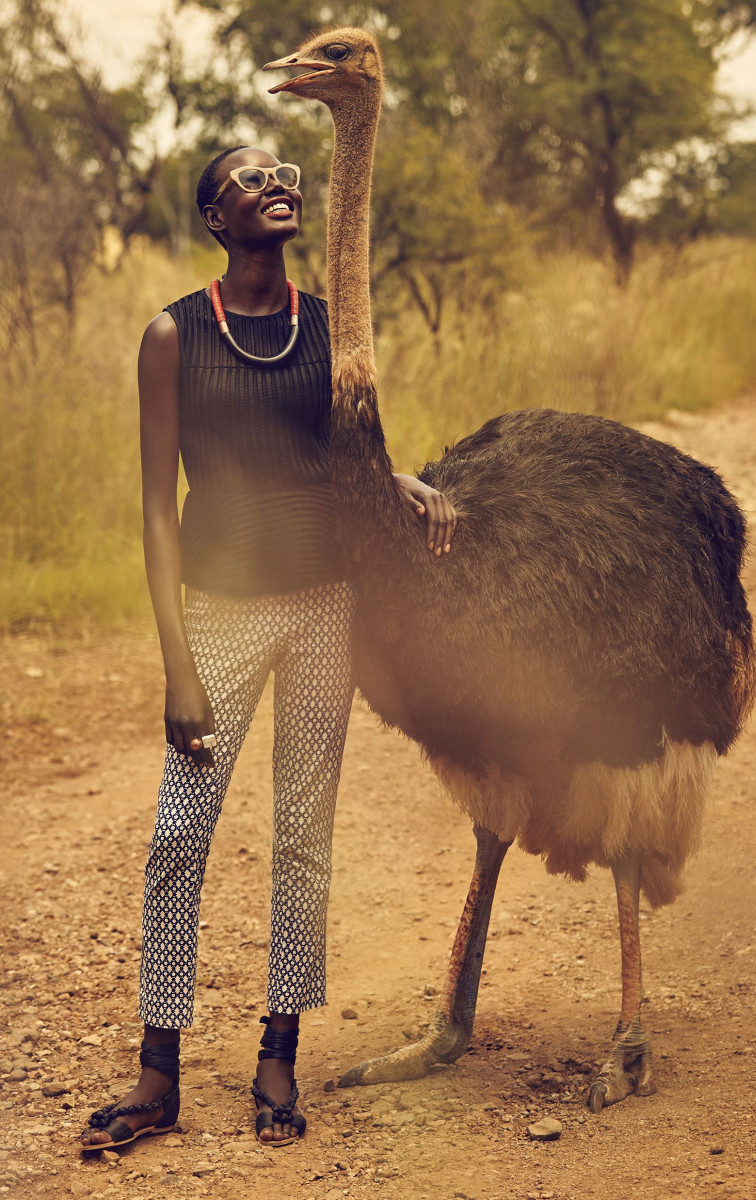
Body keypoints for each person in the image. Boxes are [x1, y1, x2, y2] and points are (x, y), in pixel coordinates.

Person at [80, 144, 456, 1150]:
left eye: (284, 168)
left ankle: (276, 1056)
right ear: (215, 217)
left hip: (325, 608)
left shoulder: (323, 327)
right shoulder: (174, 336)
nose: (276, 179)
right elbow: (158, 511)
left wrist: (407, 487)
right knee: (175, 837)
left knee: (303, 834)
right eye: (248, 178)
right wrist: (176, 666)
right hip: (220, 612)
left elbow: (352, 454)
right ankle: (157, 1075)